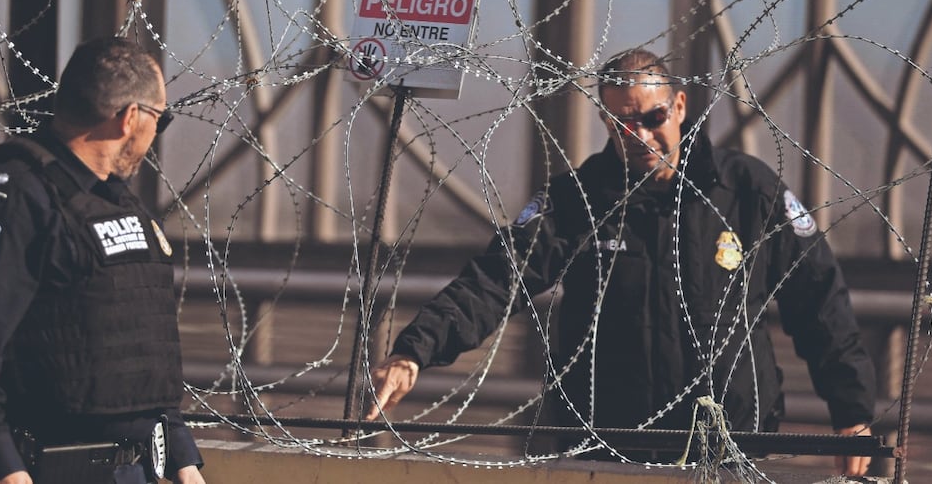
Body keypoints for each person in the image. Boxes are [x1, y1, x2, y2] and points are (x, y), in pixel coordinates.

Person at [366, 48, 876, 476]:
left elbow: (819, 300)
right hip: (604, 451)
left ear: (678, 106)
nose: (641, 137)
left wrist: (851, 413)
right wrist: (414, 350)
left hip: (726, 450)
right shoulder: (579, 199)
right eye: (623, 123)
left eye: (653, 118)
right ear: (605, 120)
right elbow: (497, 279)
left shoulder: (747, 189)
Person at [0, 37, 206, 484]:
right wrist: (6, 471)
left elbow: (138, 354)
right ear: (130, 118)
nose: (157, 132)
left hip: (129, 469)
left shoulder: (117, 203)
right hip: (39, 467)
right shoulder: (15, 197)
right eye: (161, 118)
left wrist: (181, 459)